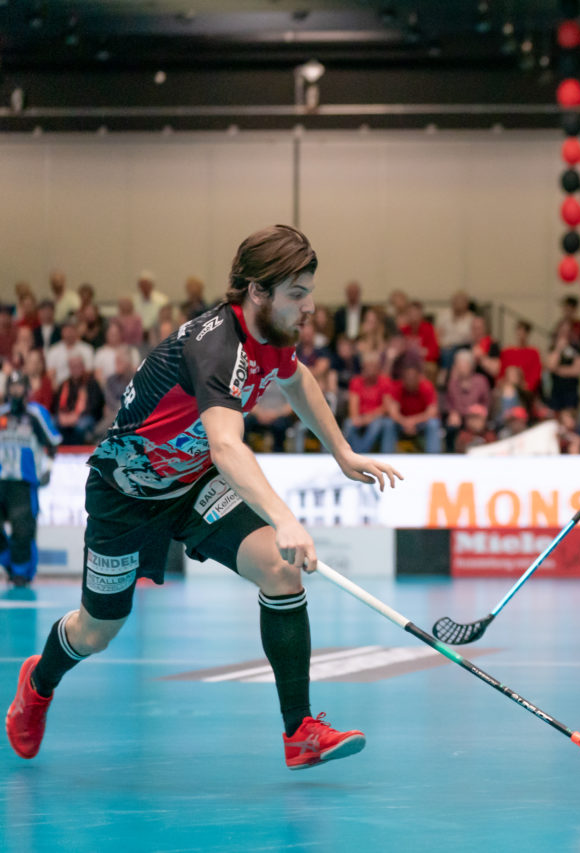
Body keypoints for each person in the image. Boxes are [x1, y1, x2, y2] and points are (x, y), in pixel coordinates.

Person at [4, 225, 402, 768]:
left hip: (191, 486)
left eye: (309, 290)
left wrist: (343, 453)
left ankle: (300, 731)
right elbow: (226, 445)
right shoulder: (217, 346)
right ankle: (39, 681)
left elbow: (297, 379)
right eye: (297, 294)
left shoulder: (269, 335)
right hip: (127, 492)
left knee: (281, 572)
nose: (310, 306)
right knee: (97, 630)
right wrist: (284, 518)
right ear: (258, 292)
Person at [0, 372, 59, 587]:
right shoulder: (1, 414)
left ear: (26, 389)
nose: (15, 391)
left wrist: (48, 470)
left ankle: (21, 573)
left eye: (19, 386)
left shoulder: (36, 414)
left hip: (24, 481)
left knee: (23, 529)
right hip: (1, 479)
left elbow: (53, 442)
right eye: (12, 386)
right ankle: (9, 564)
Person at [343, 354, 398, 455]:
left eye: (373, 366)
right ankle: (351, 455)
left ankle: (361, 453)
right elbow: (353, 407)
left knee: (380, 424)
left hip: (378, 417)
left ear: (378, 368)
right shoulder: (356, 381)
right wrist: (357, 419)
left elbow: (386, 407)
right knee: (349, 424)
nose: (370, 369)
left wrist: (369, 418)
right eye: (368, 366)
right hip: (361, 417)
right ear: (363, 367)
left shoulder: (384, 381)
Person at [52, 354, 104, 445]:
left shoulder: (92, 383)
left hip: (85, 416)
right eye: (73, 366)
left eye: (78, 366)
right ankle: (60, 452)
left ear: (83, 366)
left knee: (81, 426)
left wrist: (76, 417)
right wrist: (63, 416)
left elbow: (95, 406)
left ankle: (77, 452)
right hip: (66, 416)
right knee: (53, 423)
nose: (75, 369)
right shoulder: (64, 384)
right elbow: (56, 405)